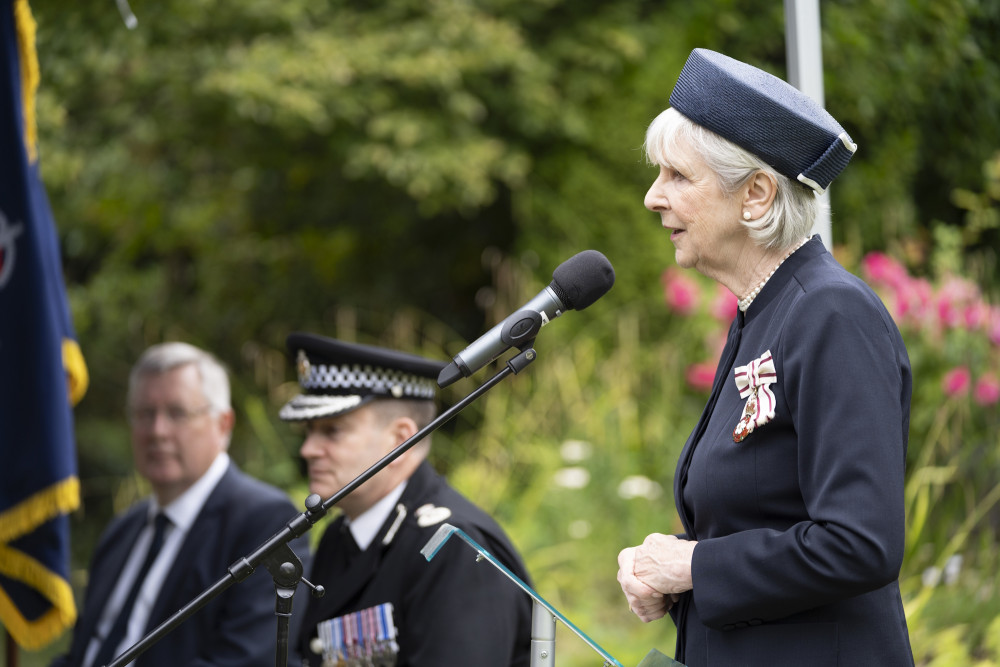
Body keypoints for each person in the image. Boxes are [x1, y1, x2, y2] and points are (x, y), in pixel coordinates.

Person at [616, 48, 914, 666]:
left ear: (755, 194)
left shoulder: (832, 314)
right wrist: (666, 566)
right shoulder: (767, 310)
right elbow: (768, 519)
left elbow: (860, 543)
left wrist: (695, 564)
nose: (653, 197)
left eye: (676, 176)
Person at [279, 332, 533, 667]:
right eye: (309, 431)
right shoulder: (339, 537)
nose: (308, 449)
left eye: (332, 431)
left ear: (400, 440)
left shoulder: (453, 547)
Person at [52, 342, 310, 667]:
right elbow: (79, 655)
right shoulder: (123, 529)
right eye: (145, 414)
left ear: (223, 424)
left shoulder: (265, 522)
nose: (157, 431)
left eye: (177, 413)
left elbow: (245, 660)